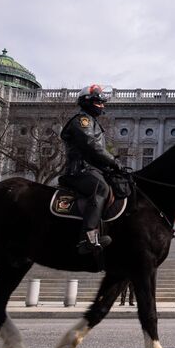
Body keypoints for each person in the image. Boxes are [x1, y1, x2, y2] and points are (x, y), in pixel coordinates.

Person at [59, 84, 118, 254]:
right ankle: (88, 238)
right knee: (101, 188)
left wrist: (112, 167)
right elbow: (91, 146)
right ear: (87, 102)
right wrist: (113, 161)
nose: (102, 106)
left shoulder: (92, 123)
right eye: (98, 102)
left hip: (91, 170)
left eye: (102, 102)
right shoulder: (81, 121)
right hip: (79, 171)